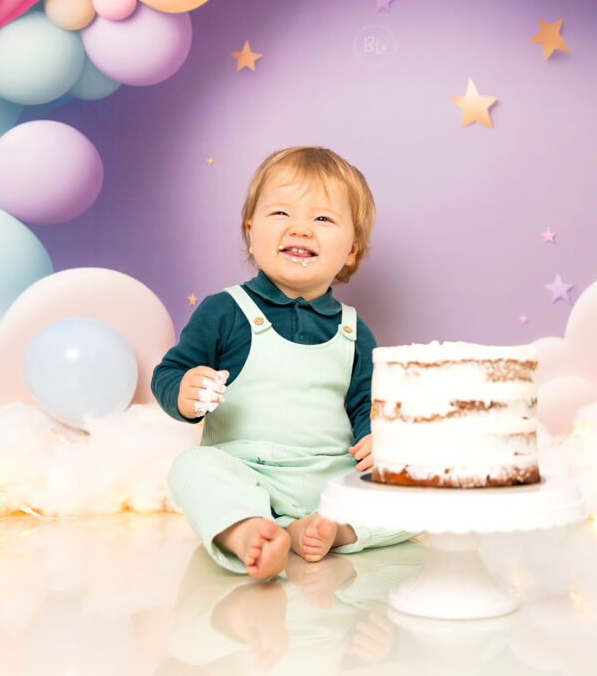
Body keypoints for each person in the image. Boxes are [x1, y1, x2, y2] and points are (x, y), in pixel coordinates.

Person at [152, 146, 413, 579]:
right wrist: (185, 391)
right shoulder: (225, 310)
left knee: (419, 489)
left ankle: (335, 531)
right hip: (247, 471)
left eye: (323, 219)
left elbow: (367, 406)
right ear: (250, 232)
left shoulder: (354, 330)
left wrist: (377, 438)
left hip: (334, 478)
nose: (300, 229)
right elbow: (171, 372)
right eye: (280, 214)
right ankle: (249, 529)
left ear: (352, 250)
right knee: (190, 468)